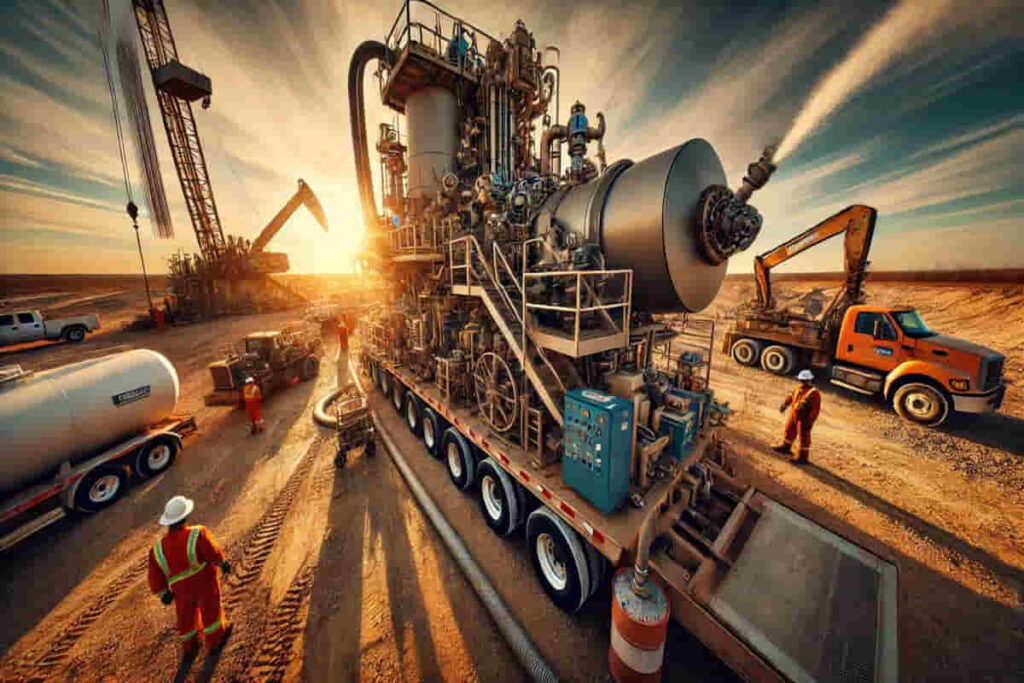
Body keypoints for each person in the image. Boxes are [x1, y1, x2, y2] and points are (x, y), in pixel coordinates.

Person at [148, 496, 232, 660]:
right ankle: (216, 640)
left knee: (185, 616)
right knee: (210, 610)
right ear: (185, 517)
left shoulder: (156, 549)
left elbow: (155, 575)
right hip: (204, 581)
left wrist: (162, 593)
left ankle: (190, 646)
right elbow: (212, 551)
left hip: (180, 590)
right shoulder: (197, 533)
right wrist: (222, 563)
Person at [773, 369, 821, 464]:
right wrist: (784, 405)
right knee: (789, 429)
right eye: (801, 380)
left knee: (804, 437)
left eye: (804, 380)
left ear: (809, 380)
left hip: (804, 418)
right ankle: (786, 447)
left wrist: (810, 422)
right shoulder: (798, 389)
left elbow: (815, 410)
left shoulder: (814, 394)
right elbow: (791, 397)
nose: (802, 382)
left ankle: (803, 457)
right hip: (794, 414)